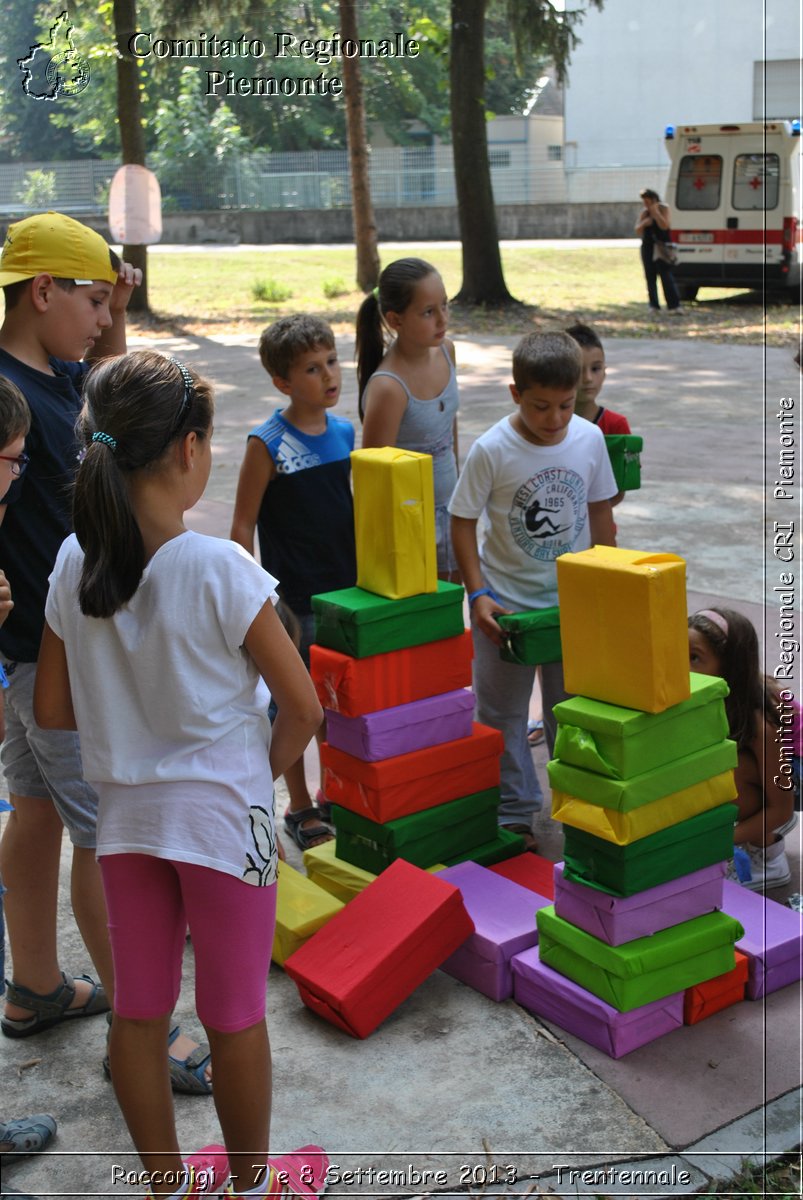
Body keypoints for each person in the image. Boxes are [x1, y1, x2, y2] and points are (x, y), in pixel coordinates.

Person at [34, 351, 327, 1200]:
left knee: (138, 1015)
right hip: (223, 824)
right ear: (189, 450)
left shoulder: (68, 564)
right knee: (234, 1018)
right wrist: (255, 785)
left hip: (126, 824)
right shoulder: (220, 567)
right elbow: (302, 710)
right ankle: (249, 1188)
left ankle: (171, 1189)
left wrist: (134, 719)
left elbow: (52, 709)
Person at [0, 213, 133, 1046]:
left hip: (24, 662)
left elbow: (116, 407)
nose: (102, 318)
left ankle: (36, 987)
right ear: (42, 290)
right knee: (104, 836)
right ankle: (144, 1030)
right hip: (53, 662)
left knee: (36, 811)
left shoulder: (44, 378)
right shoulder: (20, 402)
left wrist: (111, 319)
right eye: (90, 300)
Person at [449, 331, 617, 850]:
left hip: (574, 607)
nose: (555, 419)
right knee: (502, 715)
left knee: (575, 712)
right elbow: (461, 522)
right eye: (541, 406)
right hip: (507, 611)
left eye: (566, 405)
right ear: (514, 392)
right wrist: (478, 596)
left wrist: (610, 588)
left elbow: (601, 516)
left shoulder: (588, 439)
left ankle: (580, 807)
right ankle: (515, 810)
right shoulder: (492, 449)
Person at [230, 315, 356, 852]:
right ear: (283, 382)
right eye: (312, 368)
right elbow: (242, 525)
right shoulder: (268, 442)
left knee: (339, 702)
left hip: (343, 595)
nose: (328, 375)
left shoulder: (345, 432)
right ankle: (298, 803)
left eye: (331, 361)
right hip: (292, 602)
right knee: (295, 705)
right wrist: (256, 598)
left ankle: (333, 793)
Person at [356, 257, 460, 581]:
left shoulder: (447, 351)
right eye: (428, 312)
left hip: (452, 509)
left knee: (453, 611)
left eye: (444, 305)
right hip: (410, 526)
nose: (442, 319)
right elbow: (372, 480)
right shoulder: (389, 388)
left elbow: (450, 429)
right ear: (395, 320)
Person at [688, 607, 796, 890]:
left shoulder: (759, 725)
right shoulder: (705, 694)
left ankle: (767, 856)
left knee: (731, 770)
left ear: (729, 667)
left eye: (693, 658)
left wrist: (721, 838)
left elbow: (781, 808)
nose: (680, 667)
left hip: (793, 770)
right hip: (772, 770)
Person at [566, 322, 631, 508]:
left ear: (605, 372)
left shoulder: (616, 425)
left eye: (595, 369)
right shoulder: (548, 425)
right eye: (578, 370)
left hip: (598, 532)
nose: (587, 379)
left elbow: (618, 491)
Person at [635, 188, 681, 313]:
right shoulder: (645, 213)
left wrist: (656, 213)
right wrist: (645, 223)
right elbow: (637, 229)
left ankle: (674, 305)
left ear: (654, 200)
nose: (646, 205)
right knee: (650, 276)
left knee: (666, 275)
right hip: (648, 246)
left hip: (662, 247)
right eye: (644, 202)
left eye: (648, 202)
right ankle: (654, 305)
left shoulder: (664, 208)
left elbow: (664, 226)